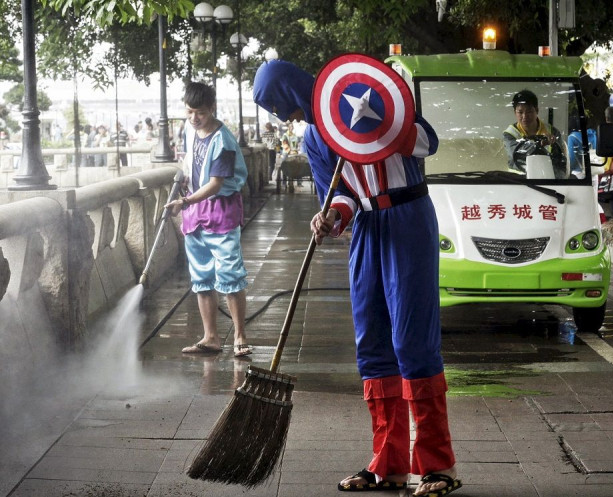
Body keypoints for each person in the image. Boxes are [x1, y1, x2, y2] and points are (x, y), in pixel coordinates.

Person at [254, 59, 462, 497]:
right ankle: (388, 465)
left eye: (280, 105)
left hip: (408, 218)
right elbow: (342, 197)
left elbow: (428, 143)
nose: (282, 117)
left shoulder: (364, 97)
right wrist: (330, 216)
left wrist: (377, 121)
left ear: (294, 91)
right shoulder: (314, 136)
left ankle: (437, 466)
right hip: (367, 230)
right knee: (372, 345)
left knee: (412, 342)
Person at [164, 82, 251, 358]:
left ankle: (239, 337)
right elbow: (193, 168)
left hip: (221, 212)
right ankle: (210, 337)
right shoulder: (192, 133)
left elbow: (215, 184)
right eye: (189, 112)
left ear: (212, 108)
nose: (193, 118)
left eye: (199, 112)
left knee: (230, 275)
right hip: (196, 215)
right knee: (201, 277)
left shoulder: (223, 141)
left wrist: (185, 201)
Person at [502, 89, 565, 177]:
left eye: (529, 112)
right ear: (515, 113)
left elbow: (561, 162)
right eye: (520, 112)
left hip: (546, 178)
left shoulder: (553, 132)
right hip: (516, 181)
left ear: (537, 111)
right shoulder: (509, 134)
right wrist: (540, 143)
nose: (524, 116)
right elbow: (518, 152)